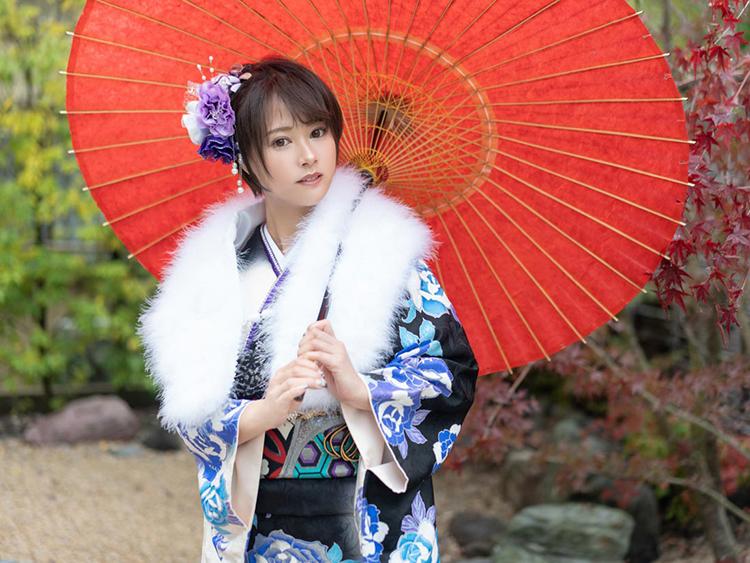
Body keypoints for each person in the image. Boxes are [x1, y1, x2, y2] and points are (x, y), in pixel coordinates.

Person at [137, 56, 479, 562]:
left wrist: (358, 387)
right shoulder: (212, 270)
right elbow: (191, 411)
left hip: (362, 517)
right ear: (246, 160)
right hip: (260, 522)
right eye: (281, 141)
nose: (307, 155)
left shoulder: (381, 256)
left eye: (317, 132)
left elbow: (451, 374)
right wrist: (261, 413)